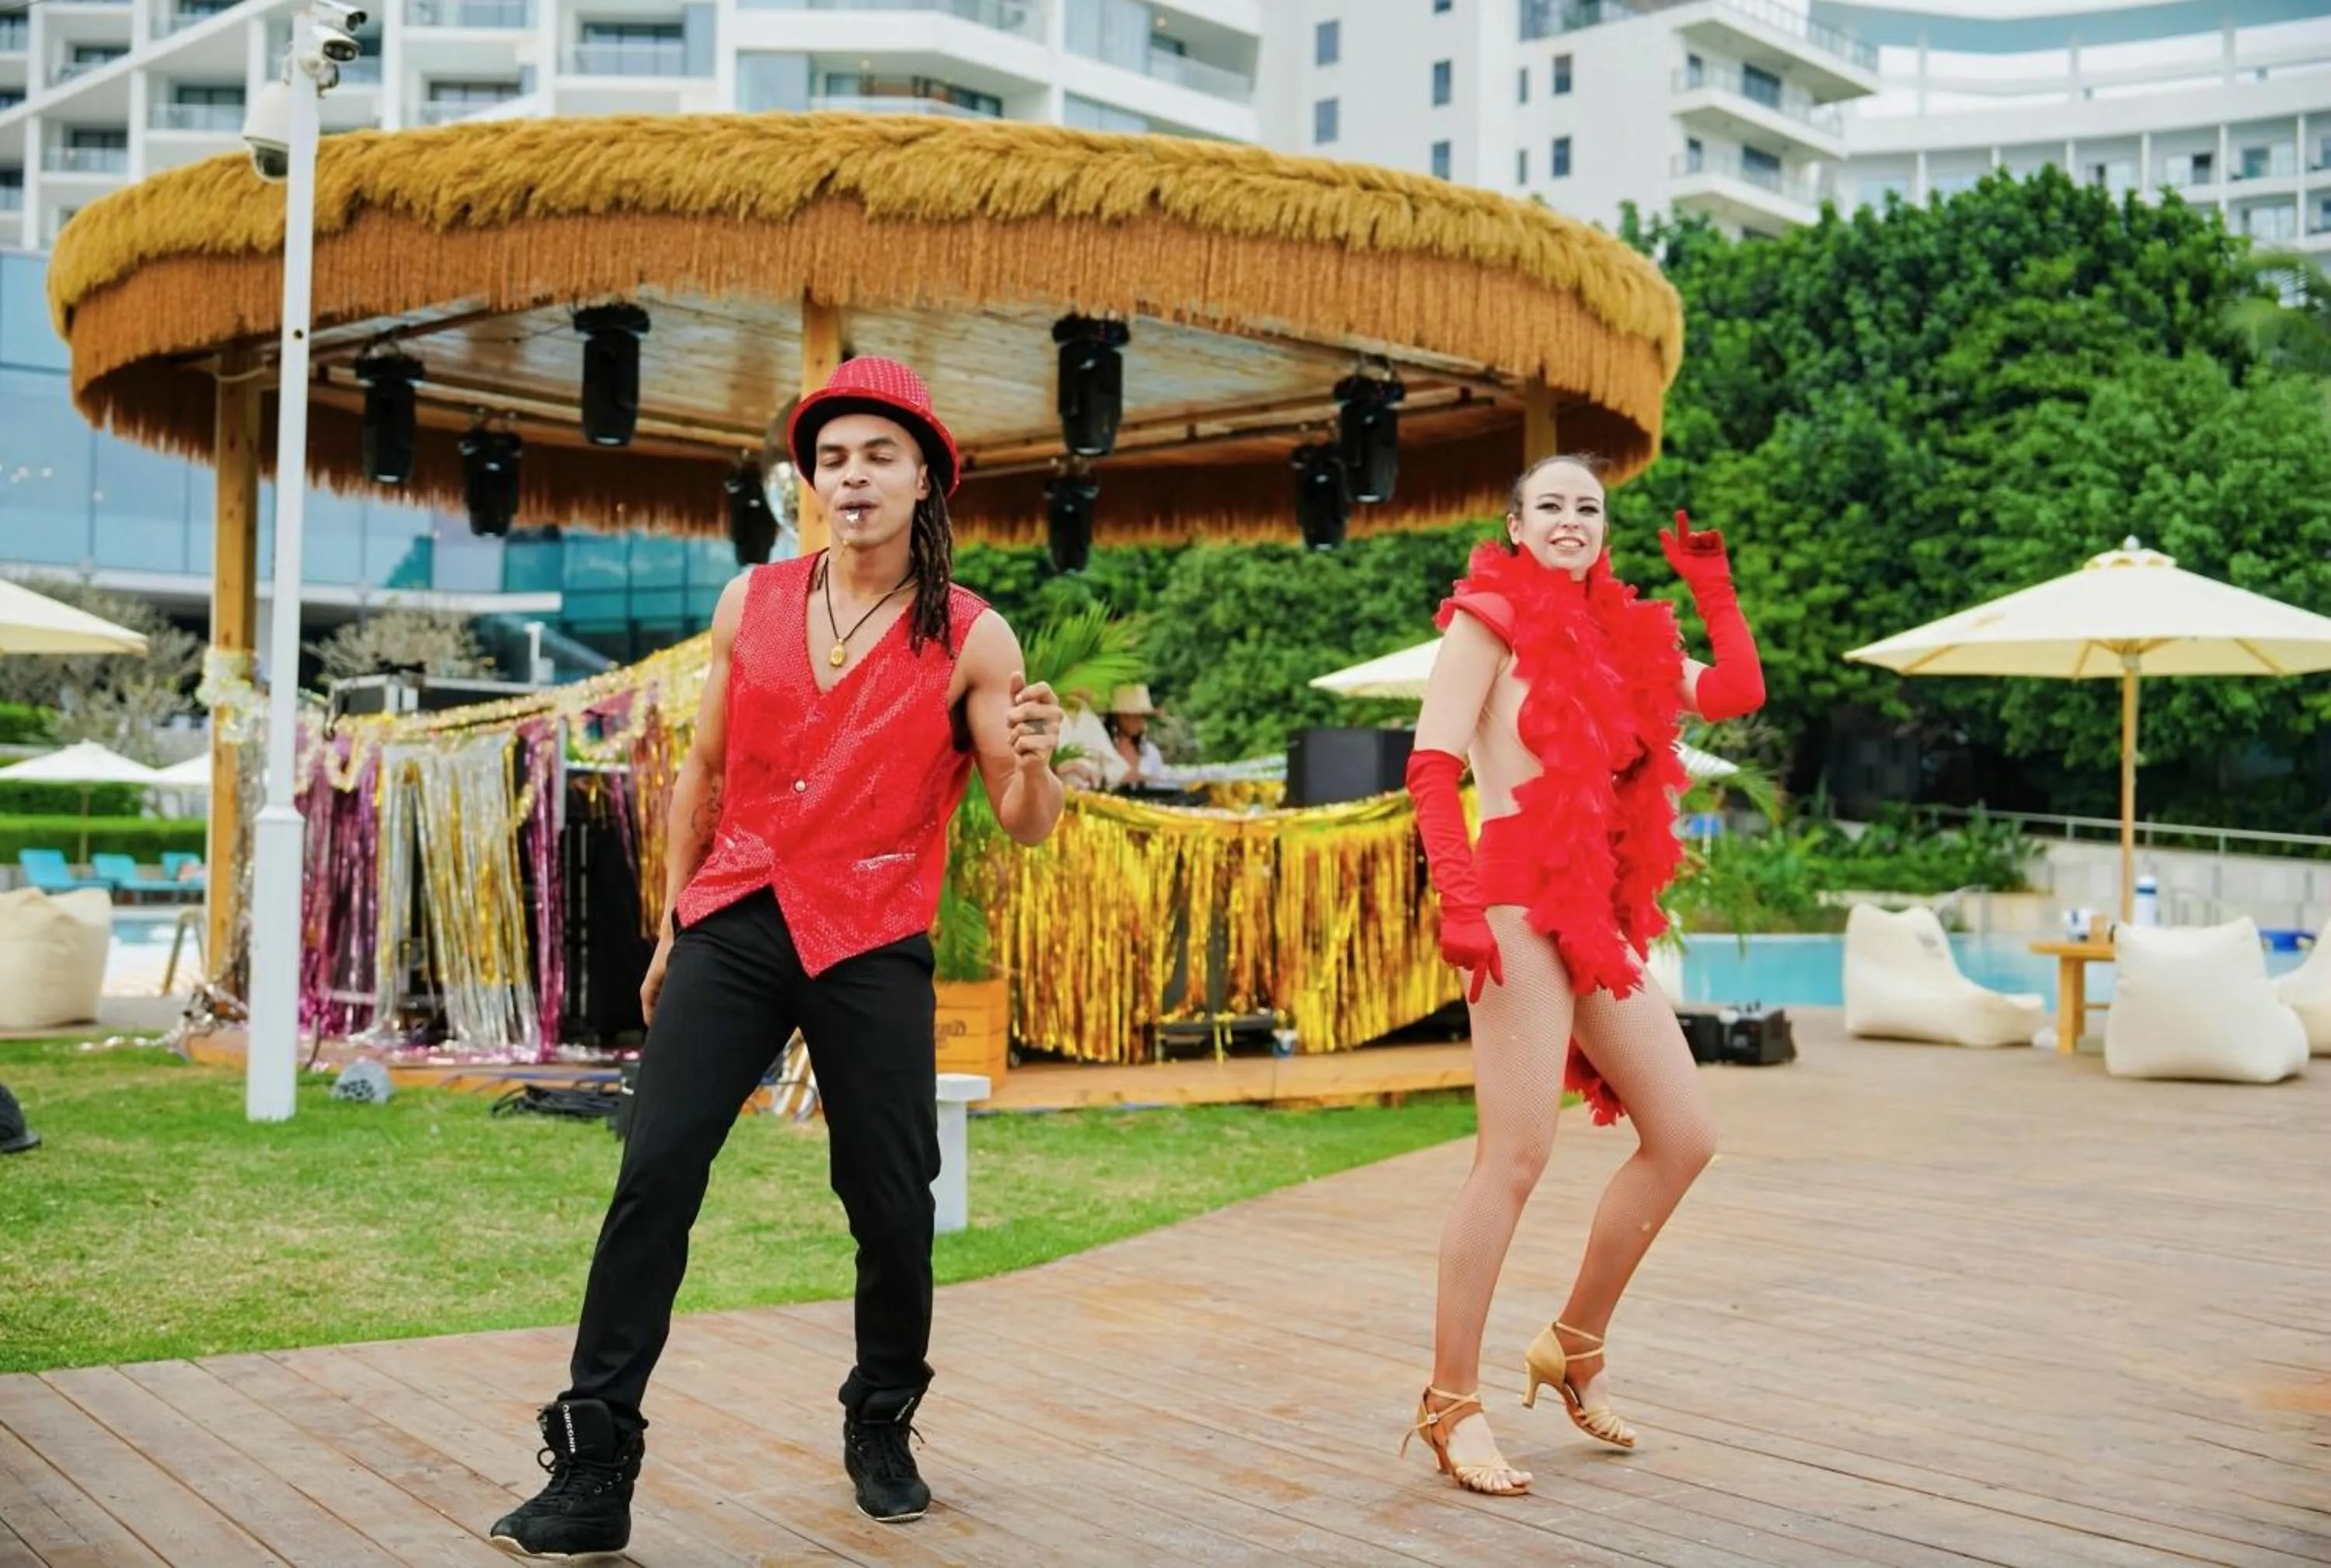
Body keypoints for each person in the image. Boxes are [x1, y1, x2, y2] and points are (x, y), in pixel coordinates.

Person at [490, 357, 1068, 1556]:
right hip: (740, 915)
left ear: (924, 479)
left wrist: (1035, 760)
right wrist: (675, 922)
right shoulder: (747, 602)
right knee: (654, 1169)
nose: (852, 477)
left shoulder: (974, 634)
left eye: (879, 456)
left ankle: (881, 1417)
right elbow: (701, 771)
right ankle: (593, 1463)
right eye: (832, 458)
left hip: (871, 935)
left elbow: (1022, 819)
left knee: (891, 1202)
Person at [1398, 454, 1765, 1495]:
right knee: (1514, 1156)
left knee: (1685, 1134)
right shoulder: (1488, 620)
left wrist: (1712, 588)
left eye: (1589, 507)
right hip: (1514, 901)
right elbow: (1431, 766)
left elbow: (1735, 692)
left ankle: (1575, 1341)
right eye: (1550, 505)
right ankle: (1451, 1400)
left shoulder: (1626, 636)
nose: (1571, 519)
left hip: (1594, 914)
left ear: (1605, 528)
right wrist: (1458, 898)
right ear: (1516, 526)